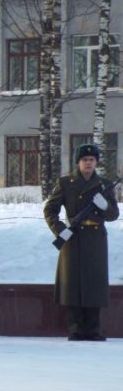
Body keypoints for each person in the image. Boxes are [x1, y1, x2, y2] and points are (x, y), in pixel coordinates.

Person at [43, 144, 119, 341]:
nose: (88, 163)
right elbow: (50, 209)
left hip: (95, 239)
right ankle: (75, 329)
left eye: (92, 160)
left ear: (96, 162)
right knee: (73, 283)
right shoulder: (66, 183)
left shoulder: (104, 184)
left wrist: (105, 206)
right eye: (85, 160)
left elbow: (113, 215)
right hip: (73, 237)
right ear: (78, 162)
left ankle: (93, 329)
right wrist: (60, 230)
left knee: (94, 282)